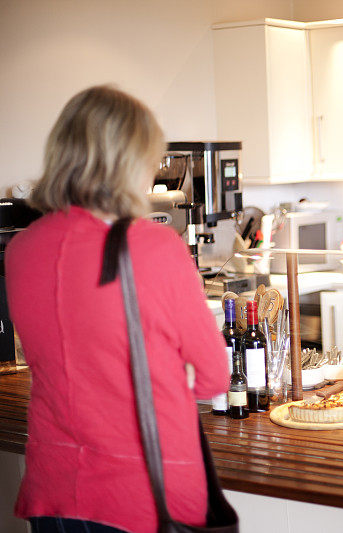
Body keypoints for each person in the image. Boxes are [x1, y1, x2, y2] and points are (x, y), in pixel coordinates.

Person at [6, 85, 229, 532]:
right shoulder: (152, 246)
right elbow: (213, 374)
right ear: (130, 163)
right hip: (143, 491)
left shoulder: (21, 248)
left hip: (54, 489)